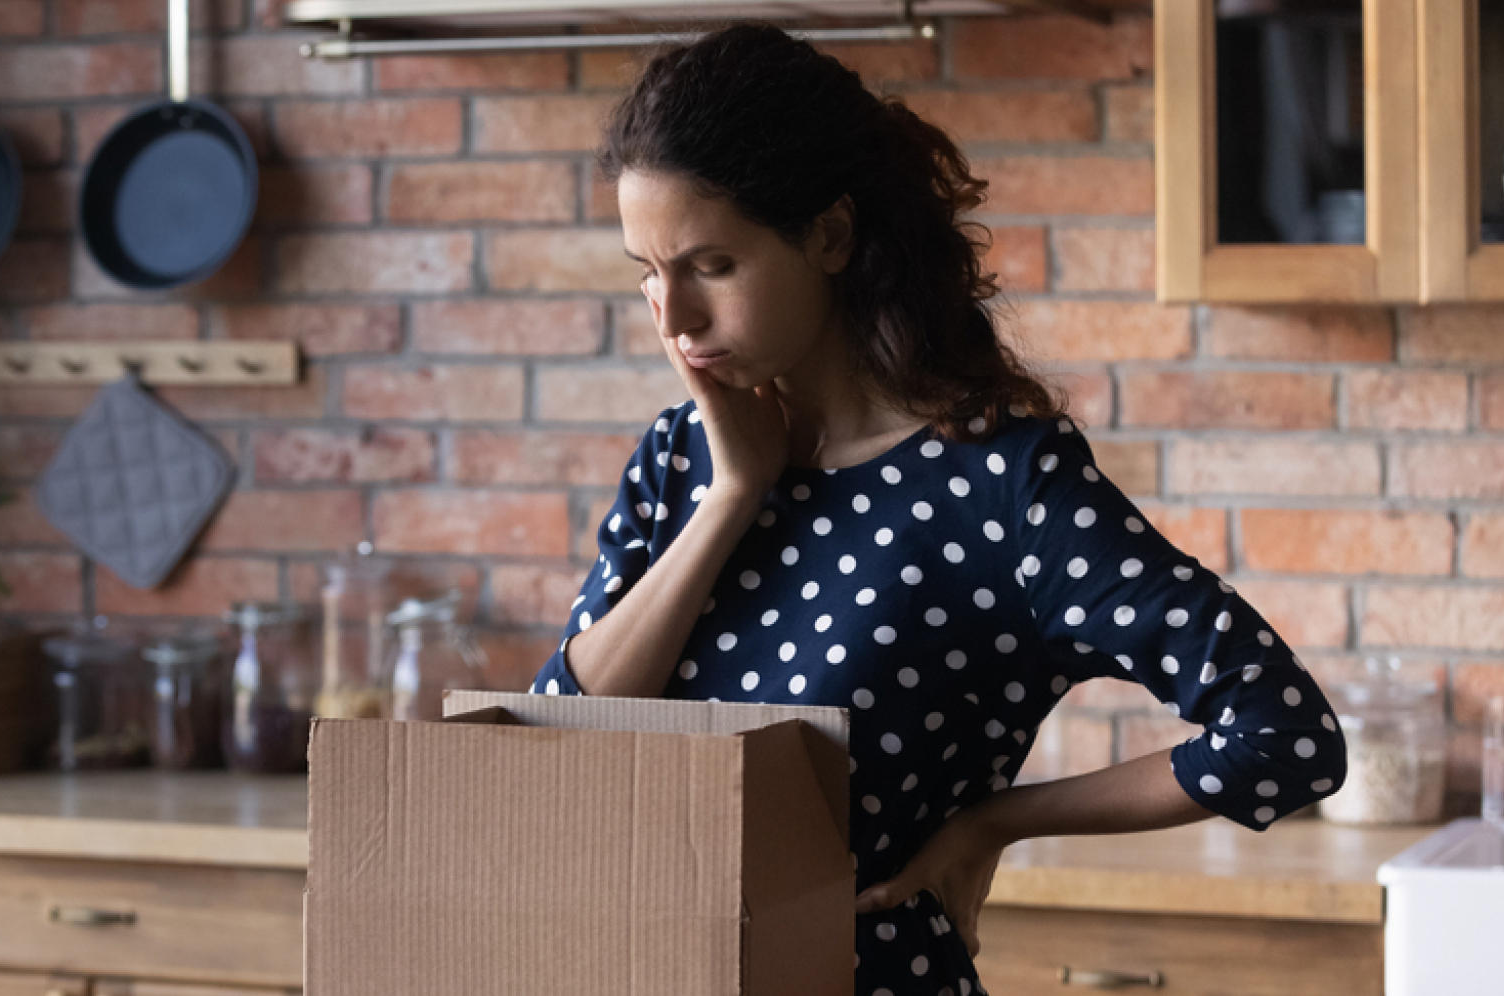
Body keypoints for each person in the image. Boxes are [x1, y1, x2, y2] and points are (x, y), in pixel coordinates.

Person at [528, 23, 1348, 996]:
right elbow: (556, 751)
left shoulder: (1003, 485)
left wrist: (996, 819)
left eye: (711, 266)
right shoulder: (679, 459)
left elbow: (1281, 736)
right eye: (646, 272)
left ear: (828, 235)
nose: (674, 318)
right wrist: (731, 498)